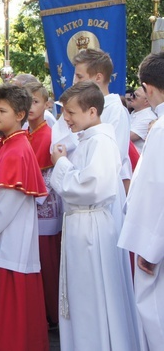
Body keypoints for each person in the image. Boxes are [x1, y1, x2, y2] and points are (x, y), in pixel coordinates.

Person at [50, 81, 140, 350]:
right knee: (81, 297)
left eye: (71, 113)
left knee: (92, 298)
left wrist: (61, 163)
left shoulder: (101, 141)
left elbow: (91, 187)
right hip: (81, 224)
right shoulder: (88, 138)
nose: (66, 118)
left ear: (91, 112)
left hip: (91, 226)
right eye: (64, 112)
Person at [0, 83, 49, 351]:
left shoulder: (17, 150)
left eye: (2, 111)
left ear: (20, 115)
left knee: (8, 306)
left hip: (7, 242)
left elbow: (3, 204)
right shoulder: (8, 145)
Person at [118, 52, 164, 350]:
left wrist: (150, 249)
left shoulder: (160, 130)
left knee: (156, 316)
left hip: (158, 246)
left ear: (147, 88)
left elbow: (155, 190)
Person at [51, 48, 132, 197]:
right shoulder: (73, 107)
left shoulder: (115, 111)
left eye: (79, 76)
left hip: (100, 192)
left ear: (98, 77)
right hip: (71, 183)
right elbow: (57, 144)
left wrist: (66, 160)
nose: (74, 81)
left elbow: (112, 159)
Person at [24, 81, 63, 327]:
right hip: (30, 205)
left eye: (36, 102)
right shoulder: (27, 133)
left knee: (48, 262)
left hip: (44, 208)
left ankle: (52, 313)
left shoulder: (48, 133)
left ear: (47, 104)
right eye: (27, 102)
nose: (30, 107)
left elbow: (47, 178)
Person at [128, 85, 156, 153]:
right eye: (132, 94)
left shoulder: (148, 118)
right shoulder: (133, 113)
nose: (131, 97)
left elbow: (127, 137)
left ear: (146, 101)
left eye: (136, 95)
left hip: (135, 161)